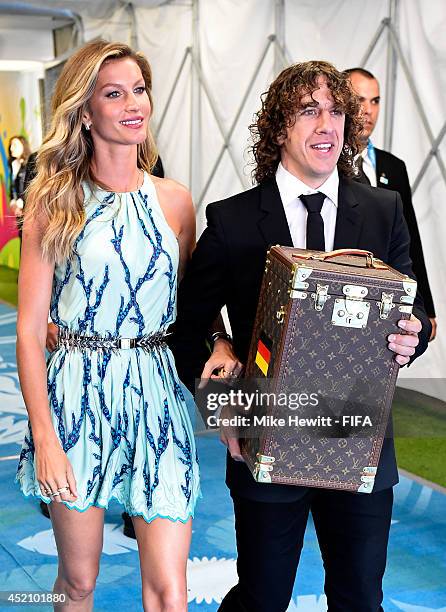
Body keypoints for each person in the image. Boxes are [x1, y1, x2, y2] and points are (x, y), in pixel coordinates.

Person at [172, 61, 431, 612]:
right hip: (266, 439)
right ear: (278, 127)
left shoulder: (384, 211)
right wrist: (223, 390)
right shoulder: (235, 220)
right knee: (263, 598)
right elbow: (187, 325)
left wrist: (413, 339)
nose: (327, 124)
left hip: (359, 440)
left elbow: (415, 314)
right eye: (309, 110)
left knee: (361, 599)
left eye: (336, 111)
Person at [15, 40, 200, 611]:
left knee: (171, 591)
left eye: (138, 90)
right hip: (76, 395)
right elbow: (28, 330)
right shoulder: (54, 202)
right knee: (79, 583)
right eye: (113, 93)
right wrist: (45, 438)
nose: (132, 104)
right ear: (85, 110)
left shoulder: (175, 202)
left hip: (157, 395)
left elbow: (190, 318)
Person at [345, 67, 437, 341]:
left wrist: (426, 307)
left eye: (375, 101)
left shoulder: (393, 167)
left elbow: (410, 239)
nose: (369, 110)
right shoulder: (324, 165)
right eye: (359, 100)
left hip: (387, 297)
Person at [8, 135, 31, 224]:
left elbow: (30, 187)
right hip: (19, 213)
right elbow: (12, 188)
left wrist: (22, 204)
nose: (11, 148)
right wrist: (13, 203)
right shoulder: (13, 166)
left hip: (29, 211)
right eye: (11, 145)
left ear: (23, 146)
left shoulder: (30, 164)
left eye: (14, 145)